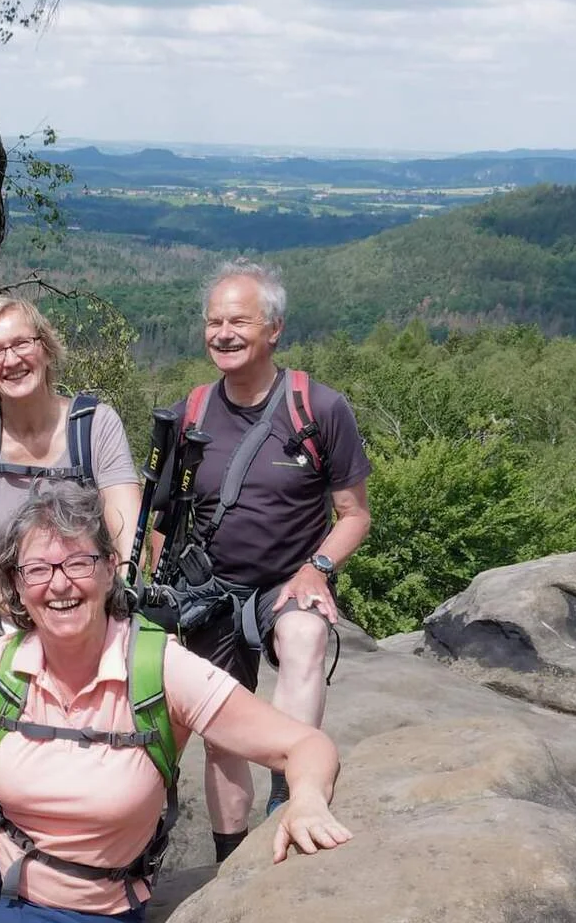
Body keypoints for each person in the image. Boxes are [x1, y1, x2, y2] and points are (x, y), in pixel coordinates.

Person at [0, 483, 351, 923]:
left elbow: (304, 745)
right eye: (37, 569)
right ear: (18, 585)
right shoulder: (2, 665)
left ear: (110, 568)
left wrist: (306, 799)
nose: (59, 584)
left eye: (78, 563)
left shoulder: (157, 667)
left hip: (88, 900)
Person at [168, 258, 372, 862]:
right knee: (222, 736)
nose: (223, 333)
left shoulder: (318, 408)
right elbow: (166, 518)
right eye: (213, 322)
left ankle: (288, 794)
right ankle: (233, 860)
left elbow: (354, 515)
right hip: (212, 590)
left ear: (274, 329)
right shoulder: (191, 413)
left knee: (306, 633)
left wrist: (318, 569)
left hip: (287, 582)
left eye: (239, 321)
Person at [0, 296, 141, 680]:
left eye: (22, 343)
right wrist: (35, 618)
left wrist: (81, 621)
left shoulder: (96, 425)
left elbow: (127, 541)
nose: (11, 360)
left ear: (45, 348)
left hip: (92, 621)